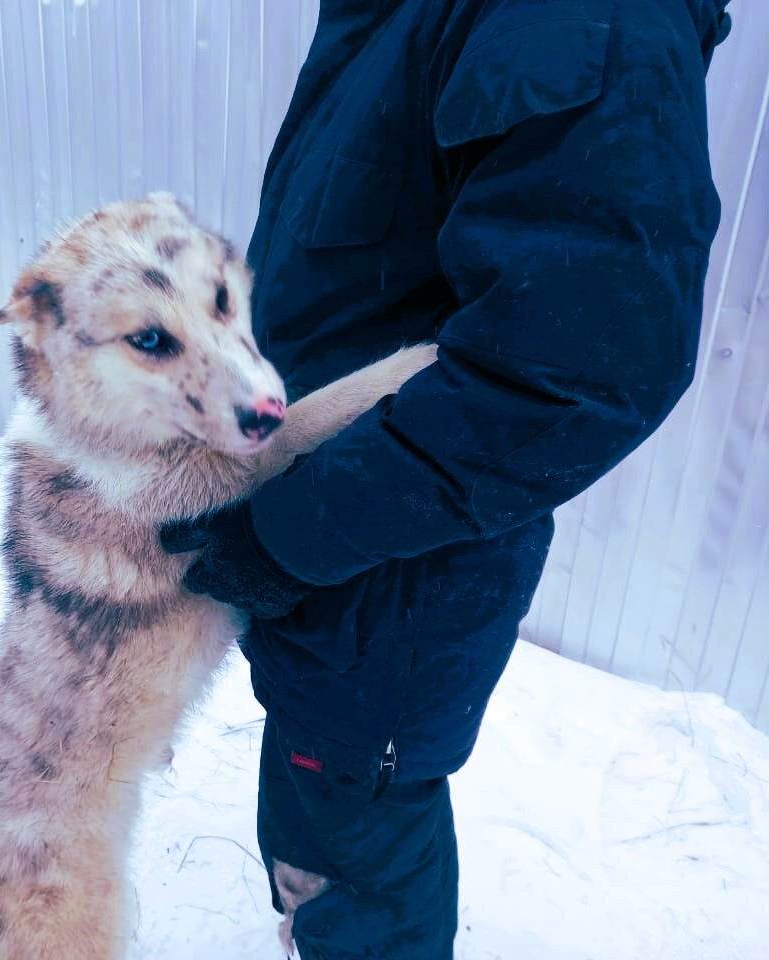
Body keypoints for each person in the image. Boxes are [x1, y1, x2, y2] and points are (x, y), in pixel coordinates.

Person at [162, 0, 734, 956]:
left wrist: (282, 536)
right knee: (318, 786)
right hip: (319, 570)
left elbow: (577, 369)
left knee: (362, 829)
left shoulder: (583, 19)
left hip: (388, 588)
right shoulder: (399, 17)